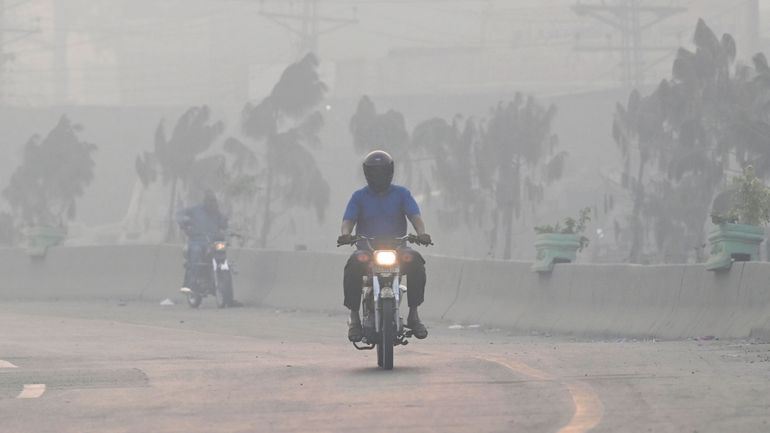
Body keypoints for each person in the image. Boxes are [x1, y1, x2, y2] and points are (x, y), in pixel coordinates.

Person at [338, 150, 433, 342]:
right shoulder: (359, 197)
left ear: (390, 172)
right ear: (367, 174)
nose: (379, 176)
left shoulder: (402, 194)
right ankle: (354, 318)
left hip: (398, 250)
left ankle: (414, 315)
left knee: (415, 261)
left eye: (382, 172)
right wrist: (345, 235)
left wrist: (421, 233)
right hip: (367, 251)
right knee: (353, 265)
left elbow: (415, 217)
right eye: (375, 172)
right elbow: (348, 220)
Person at [176, 190, 229, 293]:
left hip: (213, 242)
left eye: (214, 202)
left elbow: (224, 225)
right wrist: (183, 223)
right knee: (197, 252)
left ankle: (224, 278)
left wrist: (226, 223)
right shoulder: (195, 210)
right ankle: (193, 283)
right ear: (205, 202)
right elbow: (180, 214)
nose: (212, 204)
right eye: (210, 201)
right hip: (197, 241)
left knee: (222, 250)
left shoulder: (217, 213)